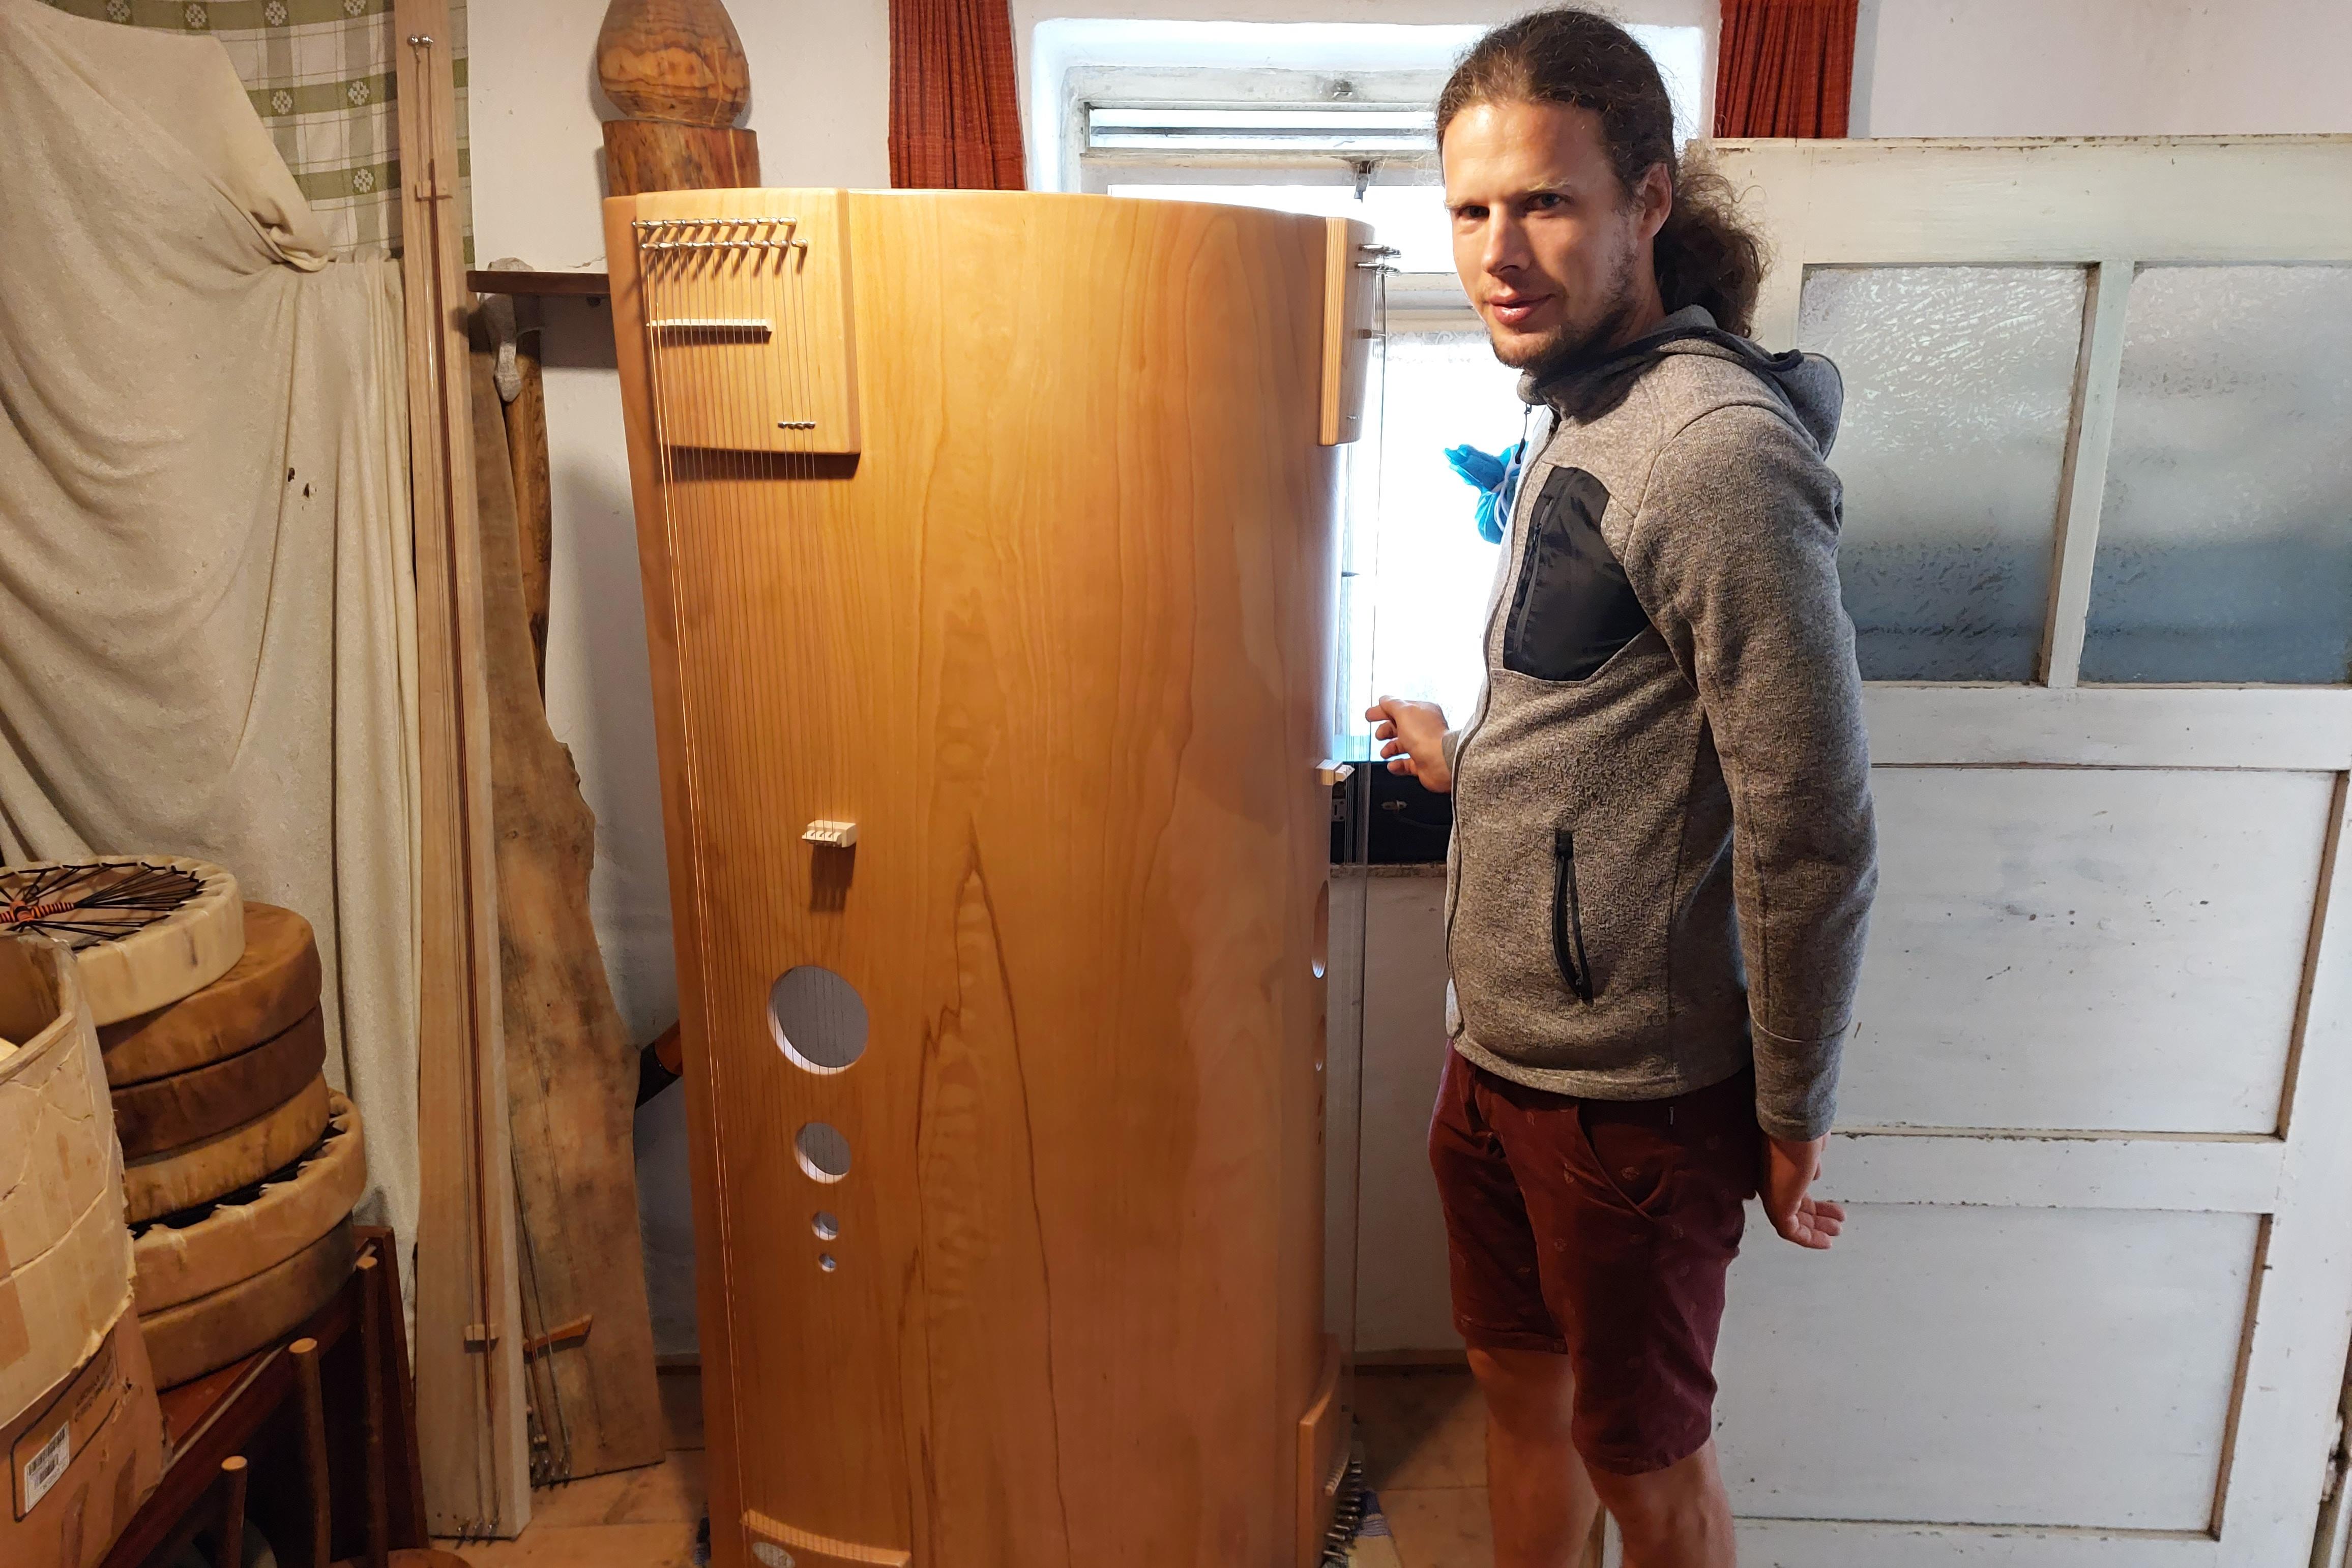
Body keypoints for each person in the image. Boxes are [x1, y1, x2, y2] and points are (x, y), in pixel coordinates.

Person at [1364, 11, 1878, 1566]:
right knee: (1519, 1401)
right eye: (1471, 209)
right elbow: (1613, 731)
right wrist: (1466, 760)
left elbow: (1810, 824)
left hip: (1633, 1108)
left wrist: (1792, 1106)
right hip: (1498, 1061)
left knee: (1648, 1468)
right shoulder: (1578, 406)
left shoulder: (1714, 450)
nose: (1498, 253)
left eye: (1545, 202)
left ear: (1649, 201)